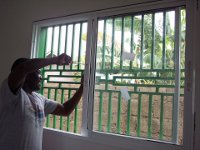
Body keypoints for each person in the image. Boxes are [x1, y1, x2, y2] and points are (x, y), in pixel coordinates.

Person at [0, 53, 84, 150]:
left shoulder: (40, 99)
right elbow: (23, 68)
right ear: (26, 75)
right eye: (37, 72)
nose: (41, 77)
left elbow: (65, 110)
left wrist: (82, 87)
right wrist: (55, 60)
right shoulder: (11, 93)